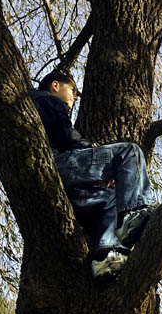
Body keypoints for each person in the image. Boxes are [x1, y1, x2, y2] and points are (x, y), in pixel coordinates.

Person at [29, 71, 155, 279]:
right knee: (129, 151)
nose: (76, 97)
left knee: (112, 198)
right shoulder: (46, 100)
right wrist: (99, 160)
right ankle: (134, 212)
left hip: (63, 187)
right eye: (73, 91)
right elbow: (68, 137)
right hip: (55, 164)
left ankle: (106, 257)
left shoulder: (39, 105)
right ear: (55, 85)